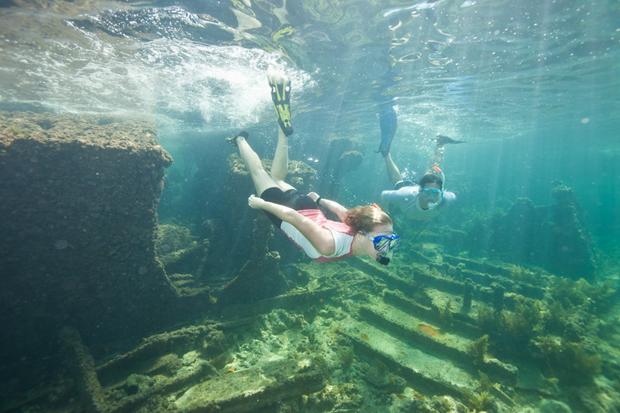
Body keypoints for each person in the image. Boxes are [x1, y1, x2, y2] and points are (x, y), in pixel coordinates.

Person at [227, 74, 400, 265]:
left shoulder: (356, 227)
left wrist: (319, 200)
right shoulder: (329, 246)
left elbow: (340, 210)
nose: (388, 246)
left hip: (307, 205)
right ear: (363, 233)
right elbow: (292, 217)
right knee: (258, 172)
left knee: (277, 177)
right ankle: (239, 139)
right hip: (289, 211)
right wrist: (260, 204)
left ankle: (283, 134)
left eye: (392, 240)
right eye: (385, 240)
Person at [377, 104, 464, 220]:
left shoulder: (445, 199)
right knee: (398, 183)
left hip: (416, 196)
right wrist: (384, 214)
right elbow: (384, 195)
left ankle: (440, 143)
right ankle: (386, 154)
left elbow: (454, 196)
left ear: (441, 193)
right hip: (408, 193)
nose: (431, 198)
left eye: (435, 193)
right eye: (428, 193)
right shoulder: (404, 196)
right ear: (419, 191)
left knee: (432, 172)